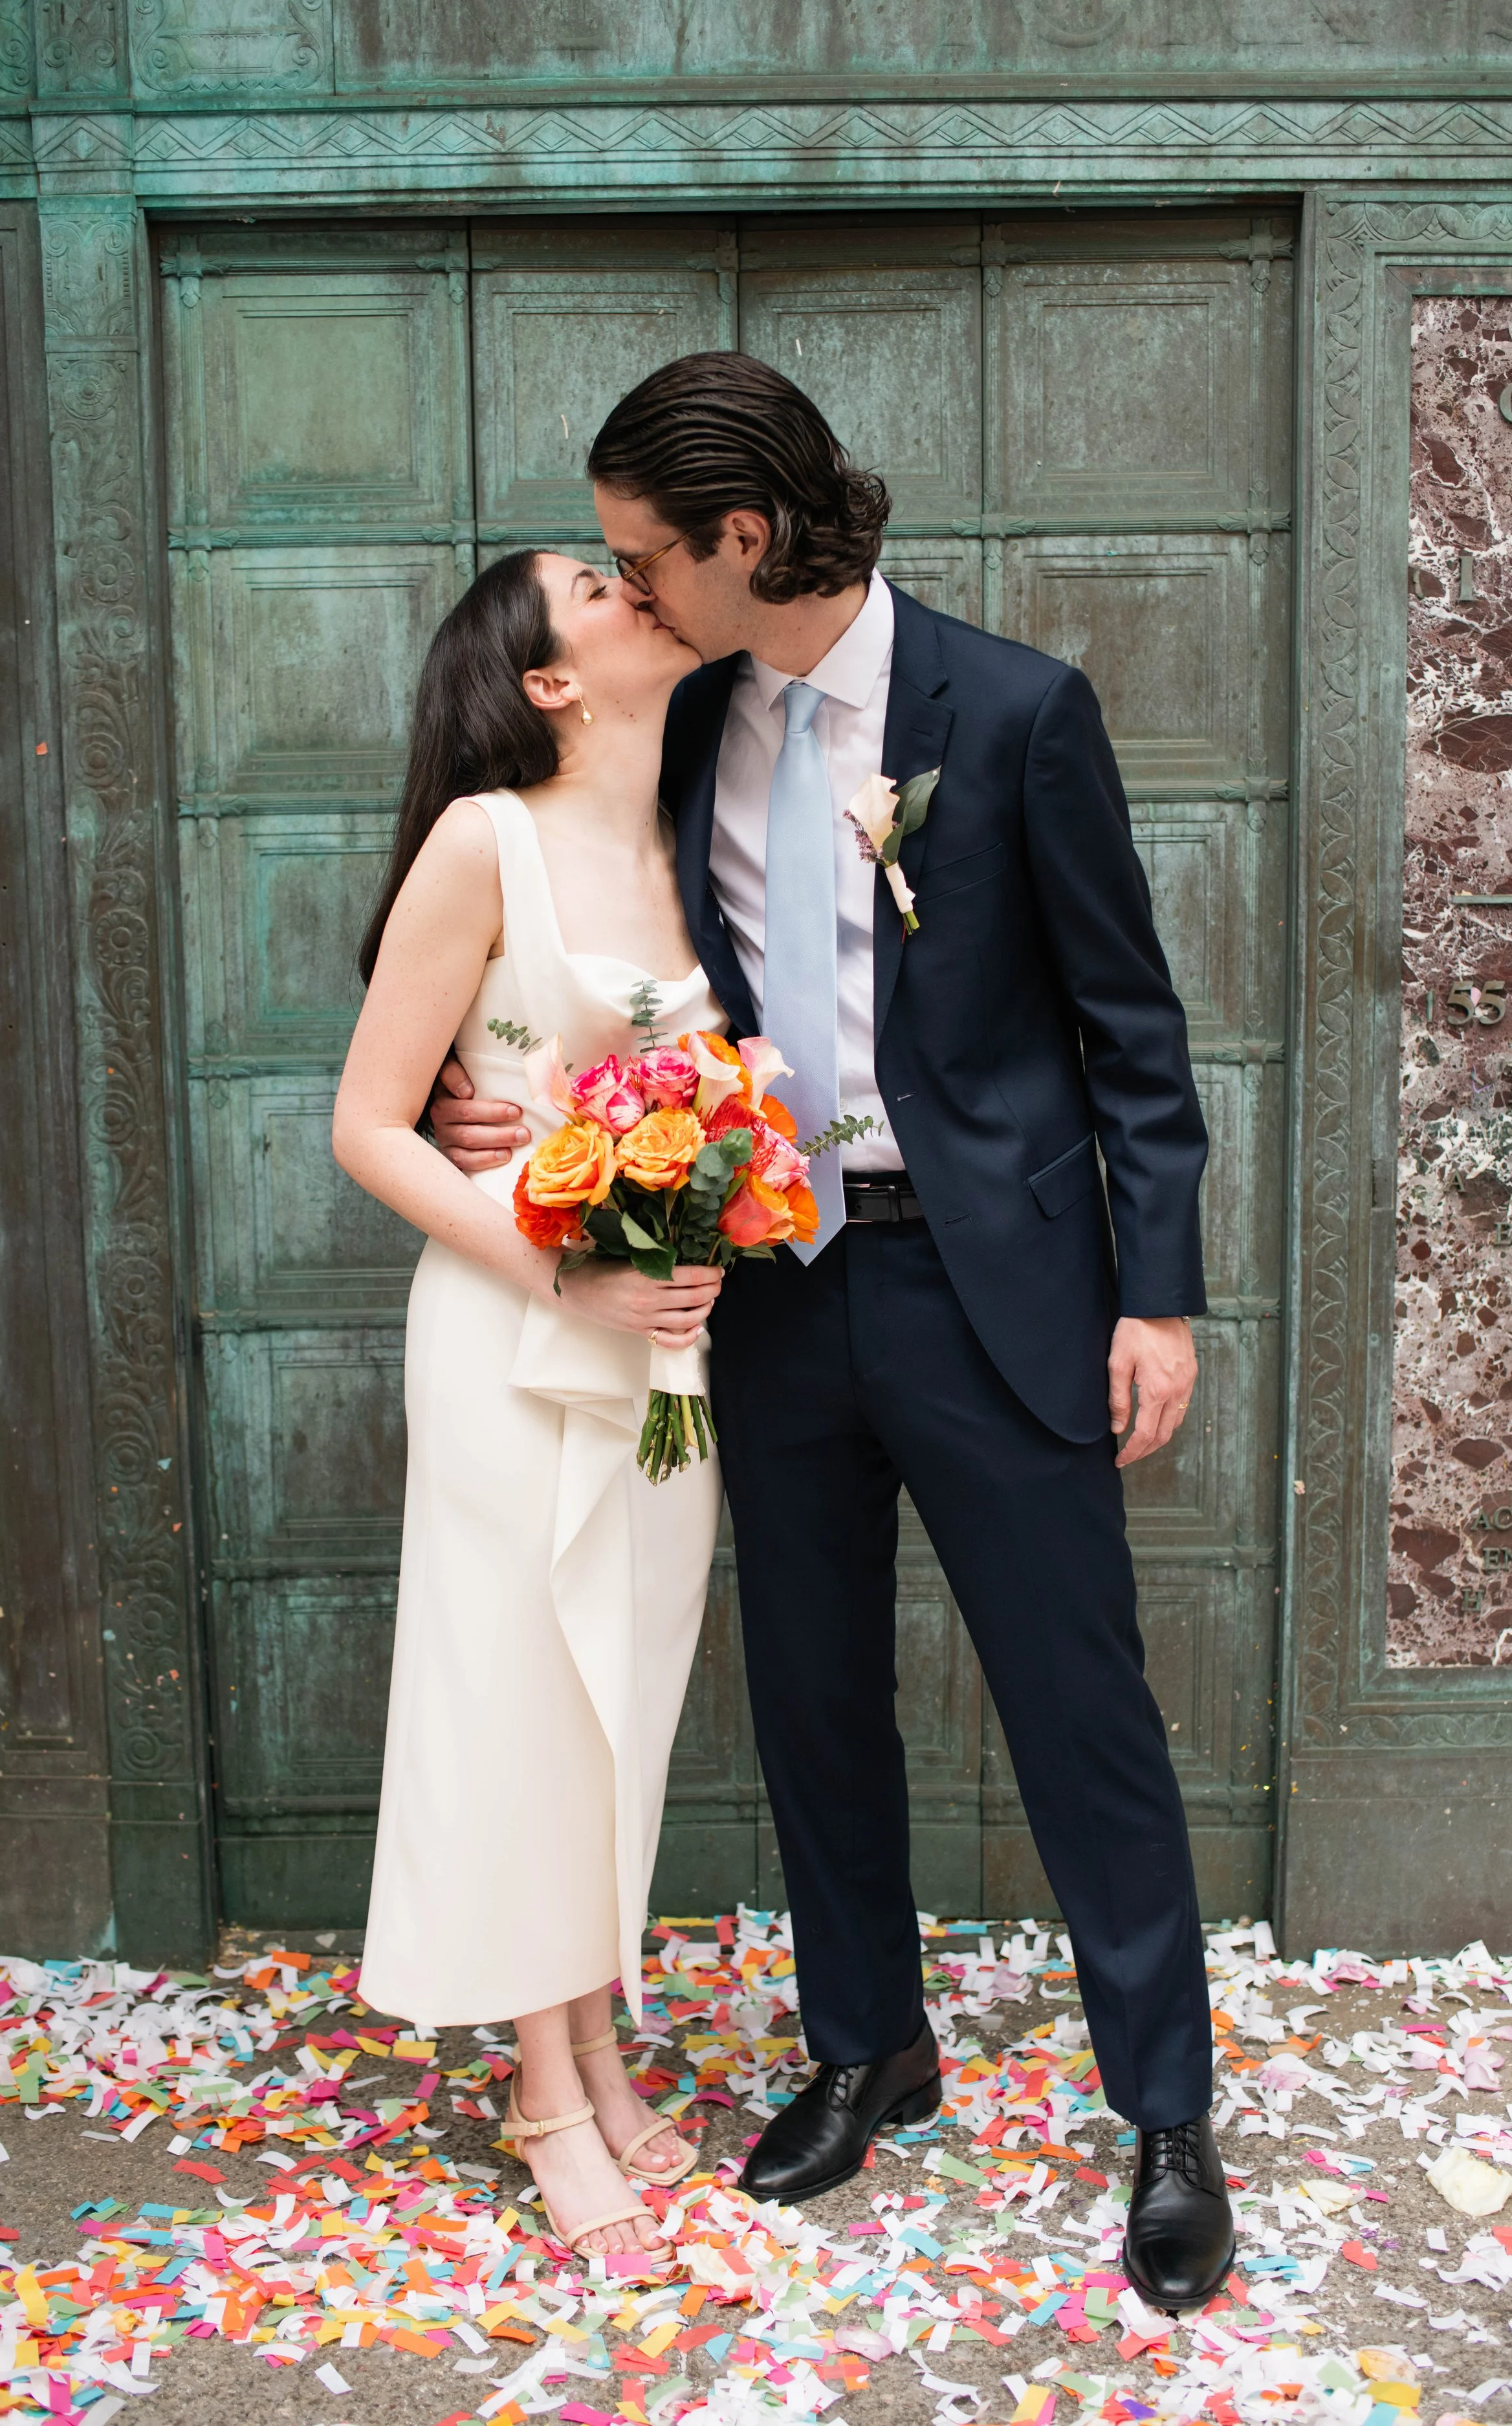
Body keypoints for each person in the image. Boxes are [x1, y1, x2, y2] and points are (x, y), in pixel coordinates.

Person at [429, 353, 1233, 2308]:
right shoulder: (685, 718)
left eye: (643, 557)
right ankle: (869, 2043)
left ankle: (1168, 2109)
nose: (621, 591)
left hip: (998, 1293)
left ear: (745, 539)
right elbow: (588, 942)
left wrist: (1158, 1291)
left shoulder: (1015, 712)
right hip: (771, 1293)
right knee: (809, 1695)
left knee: (1078, 1701)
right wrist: (503, 1110)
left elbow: (1129, 1034)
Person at [333, 547, 730, 2260]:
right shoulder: (481, 837)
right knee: (515, 1692)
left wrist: (719, 1216)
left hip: (666, 1348)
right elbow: (370, 1126)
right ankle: (545, 2095)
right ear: (545, 674)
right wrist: (571, 1270)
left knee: (613, 1697)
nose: (633, 581)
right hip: (513, 1331)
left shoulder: (701, 837)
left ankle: (589, 2044)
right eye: (592, 581)